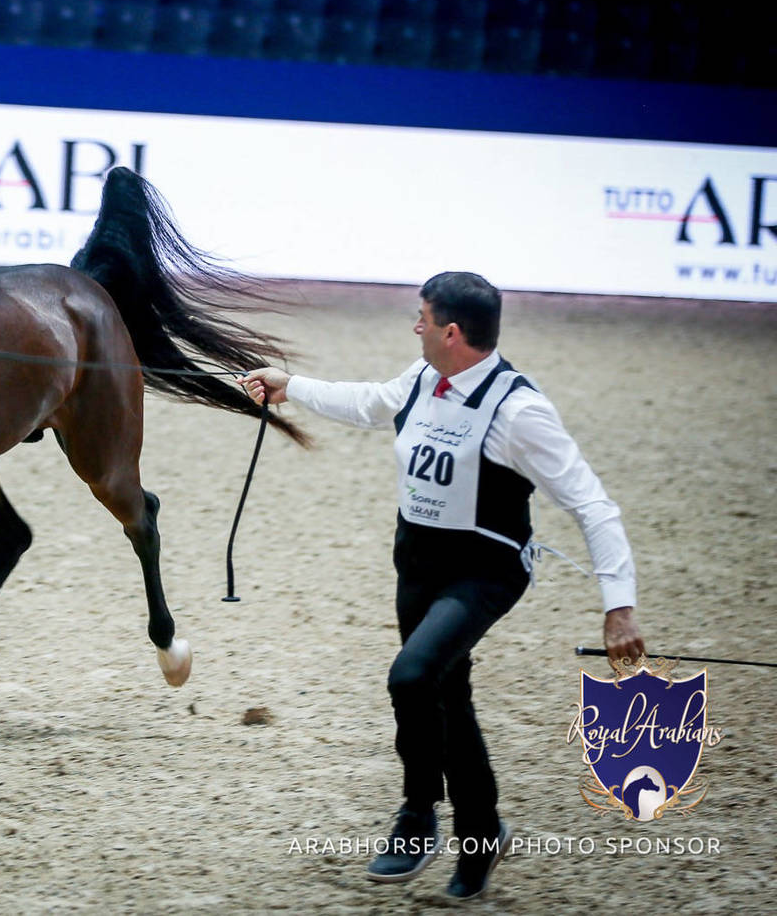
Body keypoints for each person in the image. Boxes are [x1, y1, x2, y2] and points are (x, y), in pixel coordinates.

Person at [240, 271, 645, 902]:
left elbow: (594, 505)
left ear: (451, 331)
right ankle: (483, 834)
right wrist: (291, 387)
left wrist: (619, 607)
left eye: (422, 317)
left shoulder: (518, 411)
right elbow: (373, 403)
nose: (415, 325)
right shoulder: (426, 377)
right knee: (447, 697)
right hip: (418, 563)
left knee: (412, 676)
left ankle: (417, 814)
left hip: (482, 573)